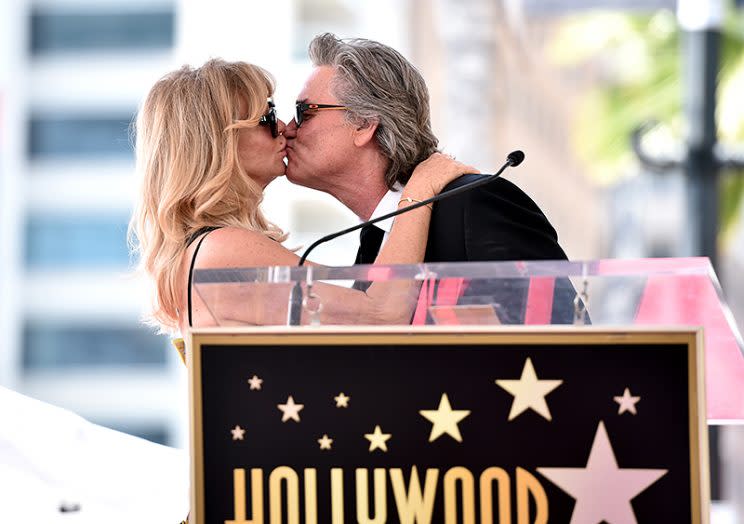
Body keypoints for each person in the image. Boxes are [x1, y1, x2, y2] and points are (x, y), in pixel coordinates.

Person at [128, 58, 475, 337]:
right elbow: (381, 313)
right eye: (264, 118)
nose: (282, 126)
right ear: (218, 143)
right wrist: (420, 189)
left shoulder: (207, 251)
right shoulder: (221, 250)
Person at [284, 33, 572, 324]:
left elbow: (559, 331)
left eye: (304, 112)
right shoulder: (373, 240)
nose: (288, 128)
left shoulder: (475, 202)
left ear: (364, 124)